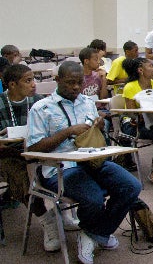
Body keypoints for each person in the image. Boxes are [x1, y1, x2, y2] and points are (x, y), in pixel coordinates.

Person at [27, 61, 141, 264]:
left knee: (131, 186)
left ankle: (92, 233)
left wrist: (100, 124)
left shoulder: (87, 102)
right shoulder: (41, 108)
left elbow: (96, 130)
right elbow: (33, 148)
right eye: (70, 83)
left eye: (79, 82)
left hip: (92, 161)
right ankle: (97, 232)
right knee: (94, 198)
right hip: (60, 169)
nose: (76, 88)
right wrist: (68, 132)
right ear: (57, 80)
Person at [0, 64, 72, 252]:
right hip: (9, 155)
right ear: (12, 85)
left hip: (39, 150)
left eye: (34, 79)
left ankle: (65, 210)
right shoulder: (0, 103)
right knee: (23, 176)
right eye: (28, 80)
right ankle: (46, 220)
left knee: (64, 162)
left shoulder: (40, 101)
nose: (34, 84)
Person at [122, 58, 153, 185]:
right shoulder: (130, 87)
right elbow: (131, 113)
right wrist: (144, 113)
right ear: (140, 70)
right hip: (134, 124)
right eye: (151, 66)